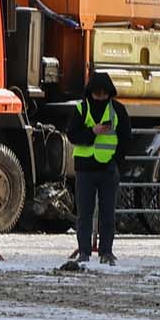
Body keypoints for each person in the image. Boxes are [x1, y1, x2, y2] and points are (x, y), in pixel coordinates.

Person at [58, 71, 125, 271]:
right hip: (85, 170)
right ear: (91, 93)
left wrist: (116, 162)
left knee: (108, 214)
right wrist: (92, 132)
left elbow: (125, 138)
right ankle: (84, 252)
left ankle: (106, 252)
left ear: (110, 94)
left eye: (104, 94)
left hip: (108, 169)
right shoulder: (81, 109)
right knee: (84, 214)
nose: (101, 98)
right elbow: (72, 135)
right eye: (97, 94)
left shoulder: (118, 111)